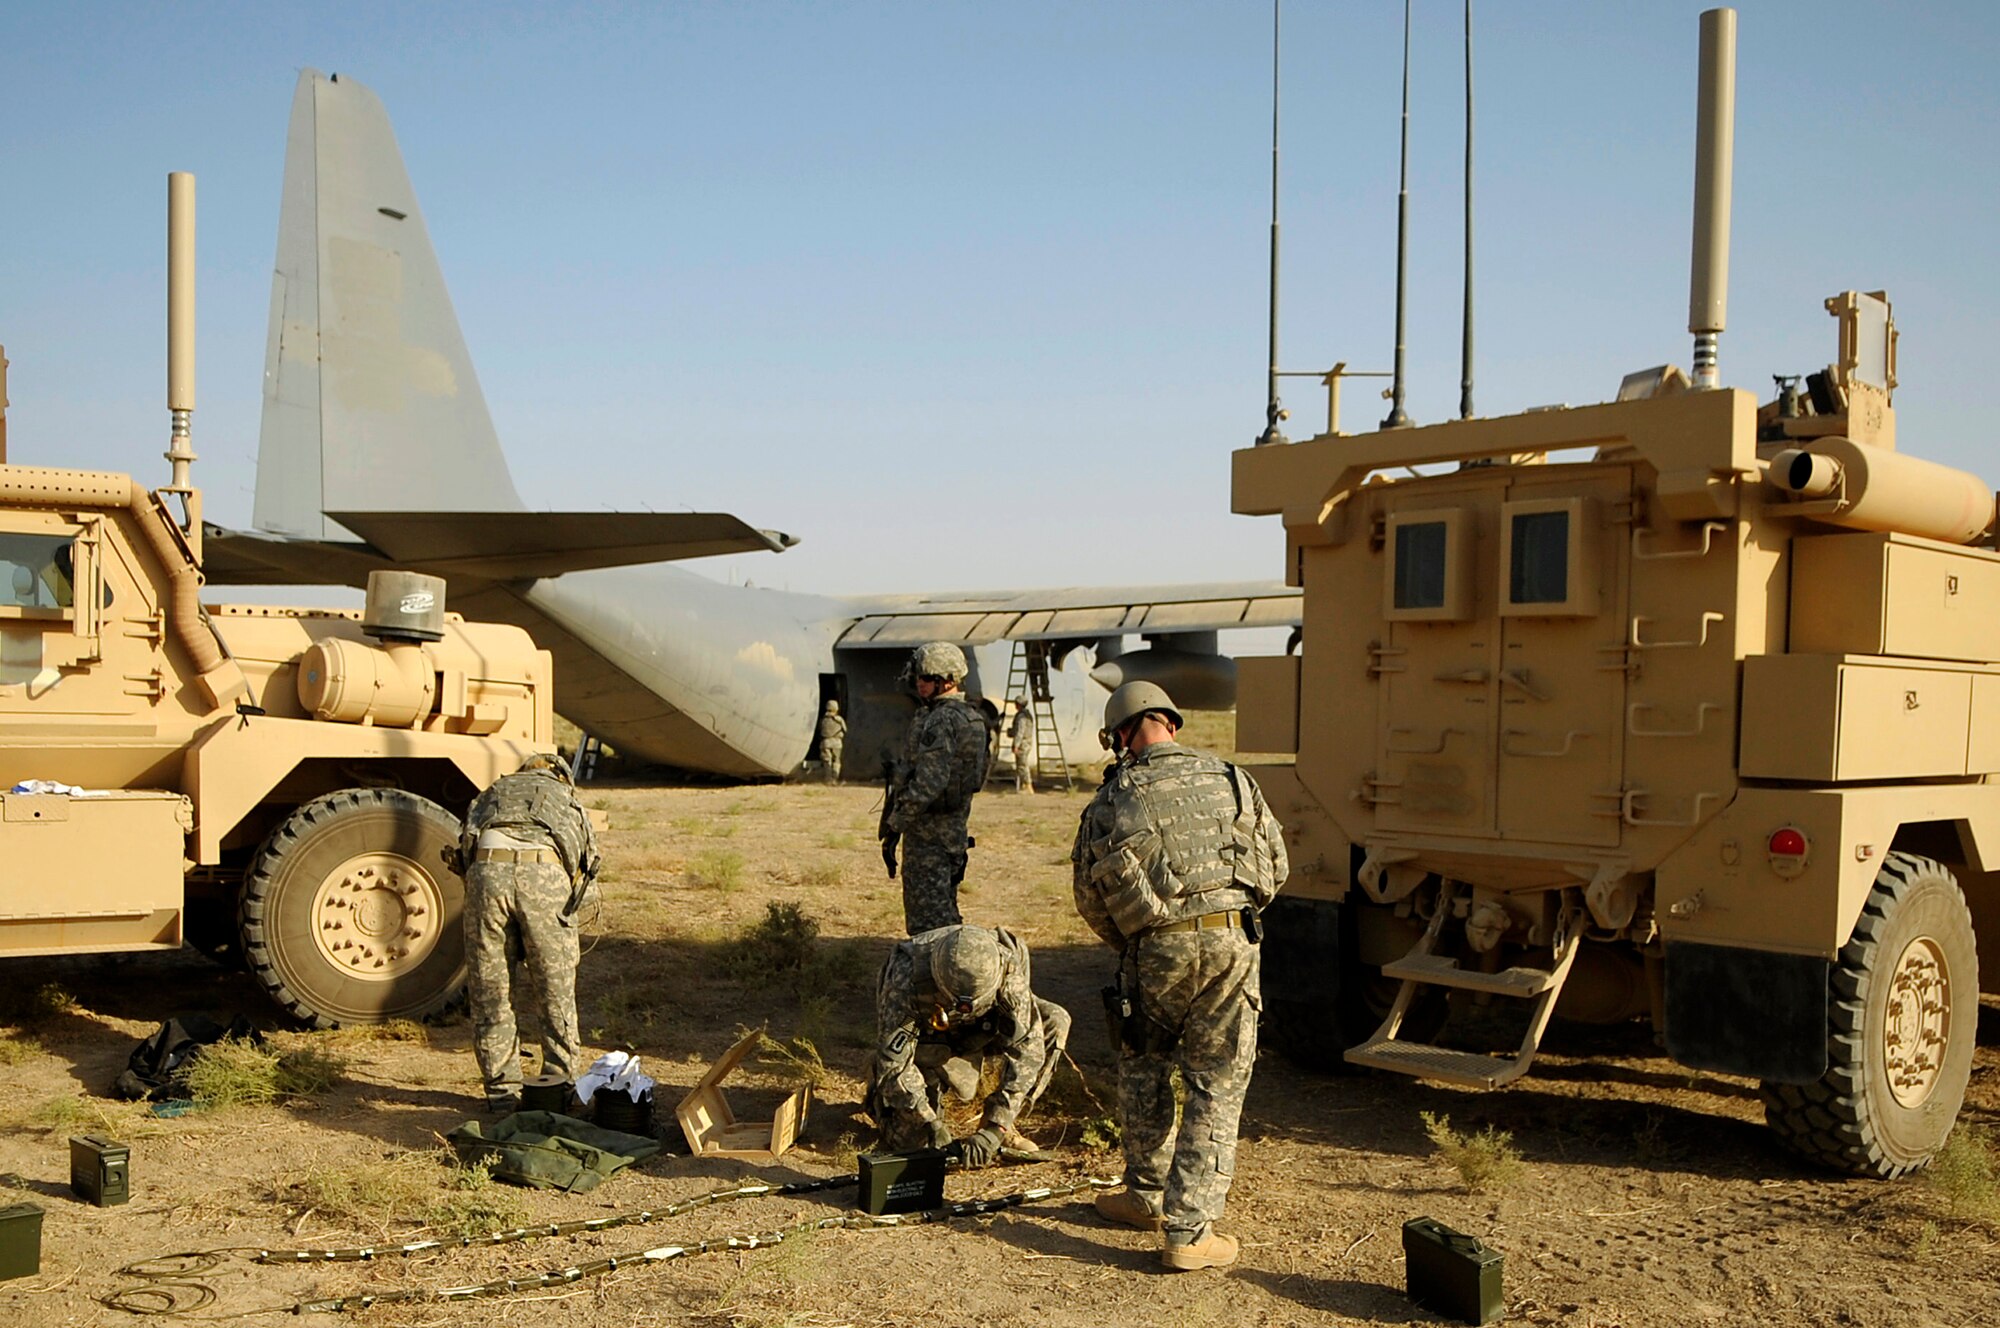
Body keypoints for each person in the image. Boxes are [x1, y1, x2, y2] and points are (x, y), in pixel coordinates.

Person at [1071, 681, 1286, 1272]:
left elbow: (1089, 897)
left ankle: (1147, 1196)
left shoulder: (1113, 799)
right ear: (1171, 723)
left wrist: (1139, 942)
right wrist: (1227, 923)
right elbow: (1276, 868)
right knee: (1215, 1082)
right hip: (1232, 942)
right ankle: (1190, 1229)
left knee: (1144, 1064)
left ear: (1120, 736)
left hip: (1155, 947)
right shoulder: (1234, 779)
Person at [448, 751, 600, 1113]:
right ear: (561, 777)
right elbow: (588, 867)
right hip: (544, 875)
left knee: (491, 993)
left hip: (487, 876)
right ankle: (558, 1091)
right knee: (555, 990)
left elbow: (465, 854)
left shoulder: (492, 793)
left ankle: (502, 1096)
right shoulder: (565, 799)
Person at [864, 924, 1071, 1164]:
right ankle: (877, 1096)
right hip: (930, 1038)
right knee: (915, 1144)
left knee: (1055, 1021)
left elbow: (1027, 1051)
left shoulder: (1007, 972)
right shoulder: (906, 978)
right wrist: (929, 1121)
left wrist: (996, 1127)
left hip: (987, 1029)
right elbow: (895, 1063)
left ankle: (1003, 1123)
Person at [881, 641, 989, 934]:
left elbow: (930, 782)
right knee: (942, 910)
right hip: (951, 833)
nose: (920, 683)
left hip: (930, 837)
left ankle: (944, 974)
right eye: (919, 676)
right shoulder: (970, 717)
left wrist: (896, 824)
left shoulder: (941, 721)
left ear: (948, 681)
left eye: (928, 678)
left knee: (930, 925)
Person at [1008, 696, 1036, 794]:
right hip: (1027, 742)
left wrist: (1016, 744)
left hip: (1023, 743)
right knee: (1021, 764)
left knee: (1022, 765)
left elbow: (1020, 731)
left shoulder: (1021, 717)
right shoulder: (1028, 715)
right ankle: (1024, 785)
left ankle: (1028, 786)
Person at [817, 699, 848, 783]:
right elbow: (845, 730)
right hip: (837, 743)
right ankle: (834, 778)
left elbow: (820, 730)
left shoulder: (823, 720)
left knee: (827, 761)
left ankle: (828, 779)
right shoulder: (839, 720)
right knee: (836, 761)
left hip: (825, 743)